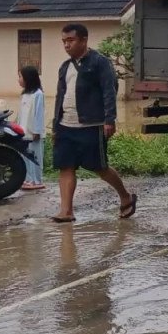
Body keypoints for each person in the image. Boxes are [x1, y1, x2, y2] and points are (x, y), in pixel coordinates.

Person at [51, 23, 136, 223]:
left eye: (70, 41)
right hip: (65, 125)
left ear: (83, 40)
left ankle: (125, 197)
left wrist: (109, 119)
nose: (66, 45)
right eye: (64, 41)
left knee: (99, 167)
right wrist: (56, 125)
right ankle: (66, 211)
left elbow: (109, 90)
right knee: (66, 166)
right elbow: (59, 96)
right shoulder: (65, 67)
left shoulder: (100, 62)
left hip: (91, 125)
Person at [18, 65, 46, 191]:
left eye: (20, 77)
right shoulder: (24, 95)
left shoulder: (38, 94)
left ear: (28, 79)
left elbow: (38, 114)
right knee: (25, 157)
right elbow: (21, 114)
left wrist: (37, 131)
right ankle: (28, 179)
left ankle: (36, 180)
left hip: (33, 133)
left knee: (35, 157)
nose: (19, 80)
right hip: (23, 132)